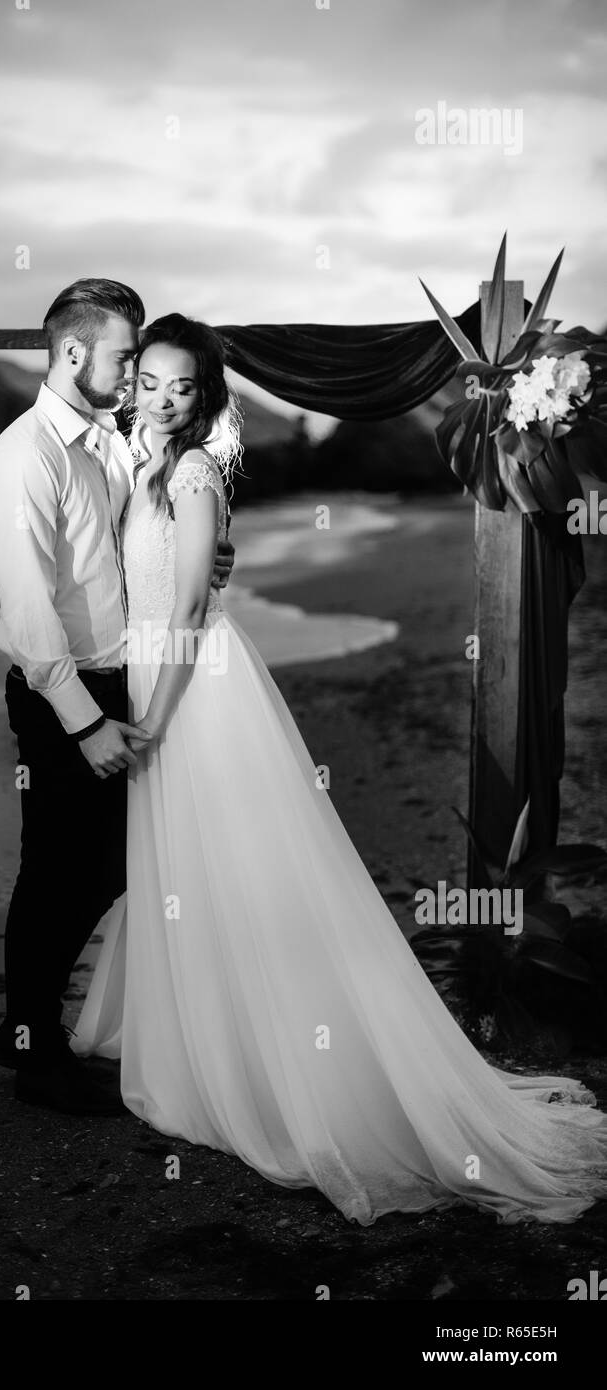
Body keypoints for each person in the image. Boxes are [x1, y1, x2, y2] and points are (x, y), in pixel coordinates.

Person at [72, 311, 607, 1225]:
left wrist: (151, 716)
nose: (162, 399)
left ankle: (271, 1056)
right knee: (188, 872)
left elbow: (195, 601)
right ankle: (211, 1033)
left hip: (192, 687)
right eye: (149, 382)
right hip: (160, 672)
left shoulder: (195, 473)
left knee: (242, 865)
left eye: (181, 387)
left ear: (205, 398)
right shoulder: (143, 464)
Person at [0, 281, 235, 1114]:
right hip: (66, 697)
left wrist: (199, 561)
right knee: (56, 871)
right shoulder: (27, 457)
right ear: (75, 352)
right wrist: (84, 723)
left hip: (121, 678)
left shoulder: (105, 442)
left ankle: (27, 1024)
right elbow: (26, 612)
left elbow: (149, 543)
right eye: (127, 358)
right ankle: (32, 1049)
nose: (135, 377)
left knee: (111, 866)